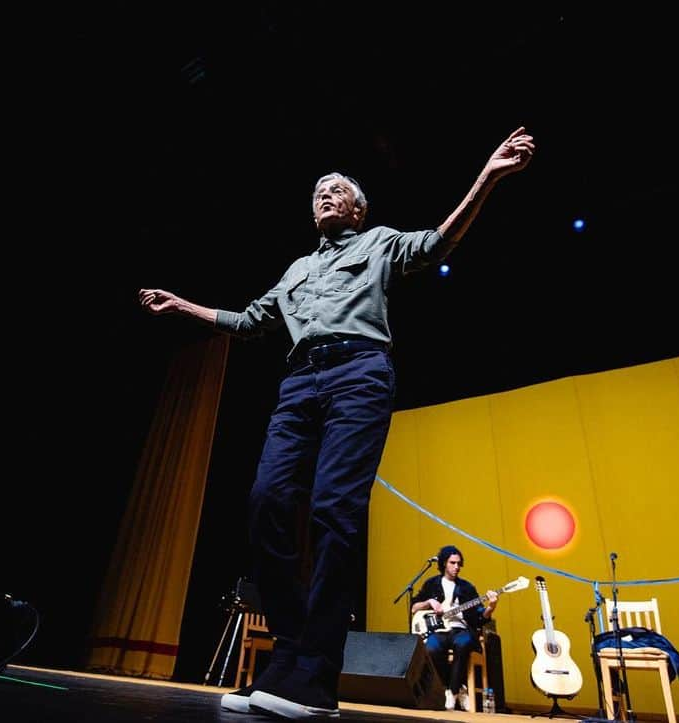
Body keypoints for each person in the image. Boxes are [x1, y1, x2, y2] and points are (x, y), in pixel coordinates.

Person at [139, 126, 534, 719]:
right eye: (318, 190)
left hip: (360, 372)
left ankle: (316, 678)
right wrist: (183, 305)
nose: (323, 194)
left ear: (357, 207)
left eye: (336, 189)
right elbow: (250, 321)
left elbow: (435, 245)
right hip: (299, 382)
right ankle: (291, 654)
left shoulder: (378, 241)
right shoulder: (297, 268)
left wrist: (488, 175)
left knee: (333, 513)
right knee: (266, 501)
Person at [410, 545, 498, 711]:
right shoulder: (432, 584)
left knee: (463, 644)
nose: (456, 567)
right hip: (439, 630)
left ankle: (453, 691)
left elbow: (480, 617)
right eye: (452, 563)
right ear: (444, 563)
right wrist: (429, 602)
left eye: (459, 563)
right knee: (431, 648)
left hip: (460, 629)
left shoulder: (467, 587)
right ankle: (449, 686)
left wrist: (491, 607)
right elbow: (414, 607)